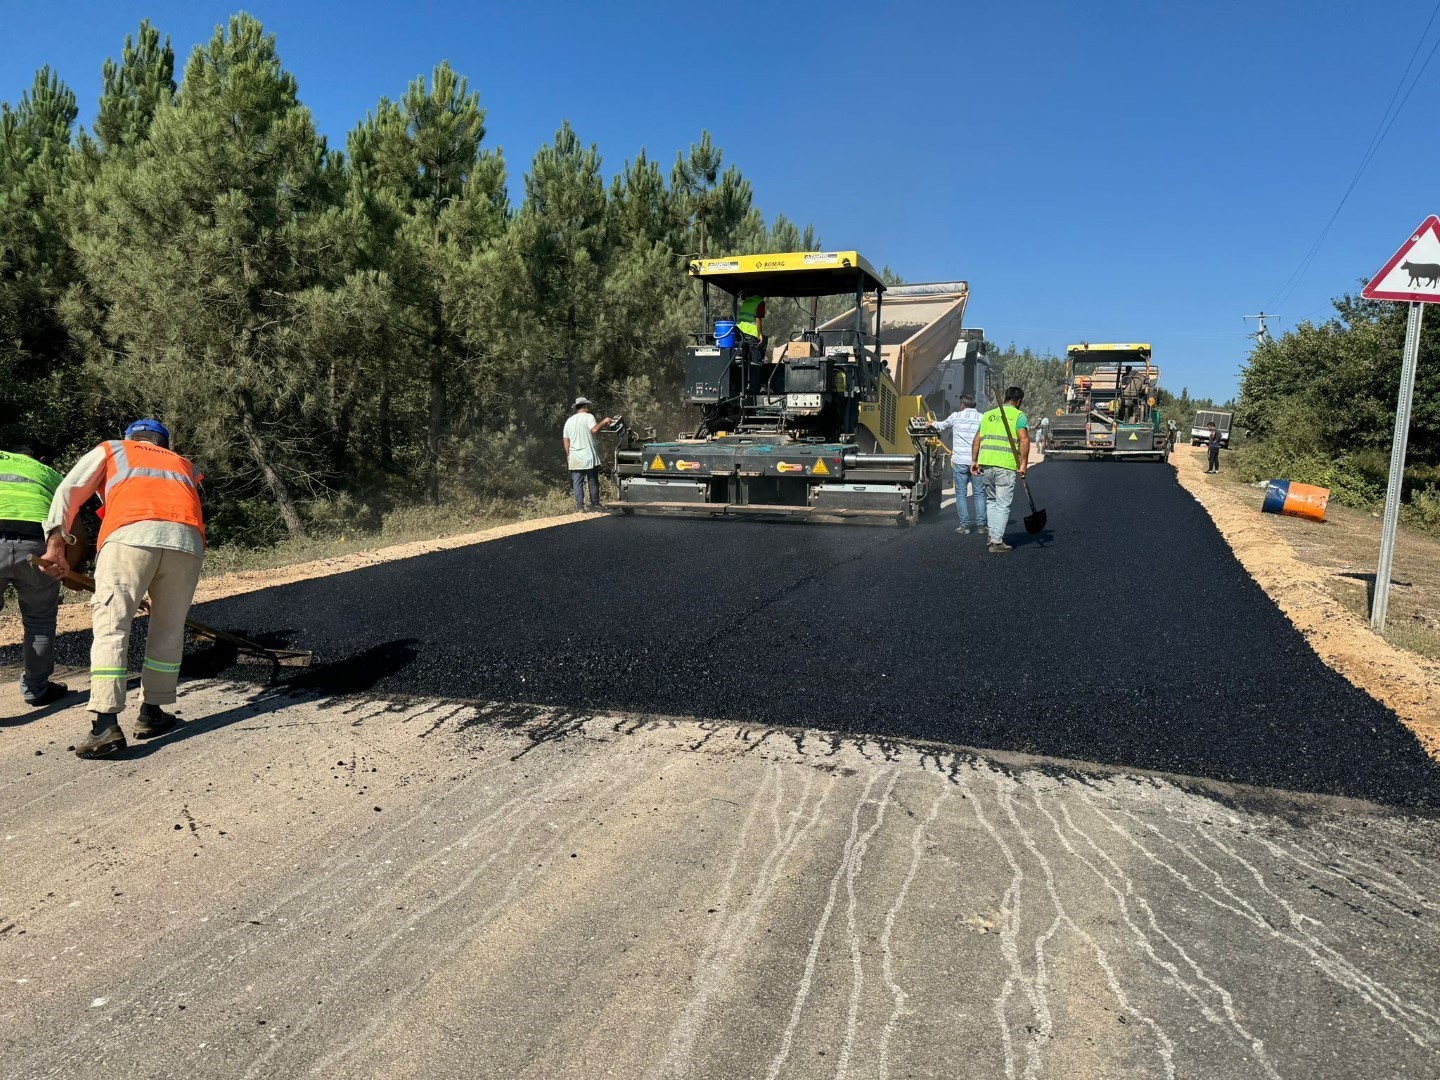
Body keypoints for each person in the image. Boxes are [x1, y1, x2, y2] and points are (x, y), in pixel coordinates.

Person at [37, 420, 205, 759]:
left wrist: (56, 543)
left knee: (112, 625)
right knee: (168, 628)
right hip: (186, 542)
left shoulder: (113, 449)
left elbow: (69, 490)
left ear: (130, 438)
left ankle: (104, 725)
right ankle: (152, 713)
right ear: (164, 442)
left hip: (129, 534)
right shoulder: (181, 463)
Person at [0, 440, 69, 708]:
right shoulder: (51, 475)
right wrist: (66, 565)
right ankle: (37, 689)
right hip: (37, 546)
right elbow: (69, 524)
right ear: (40, 458)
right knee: (40, 621)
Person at [971, 386, 1030, 553]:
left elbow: (977, 440)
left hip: (986, 464)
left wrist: (974, 460)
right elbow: (1024, 440)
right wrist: (1024, 464)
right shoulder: (1018, 416)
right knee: (1003, 504)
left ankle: (992, 535)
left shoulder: (988, 415)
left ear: (1005, 398)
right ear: (1019, 402)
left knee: (991, 501)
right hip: (1005, 465)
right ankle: (997, 542)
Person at [931, 393, 985, 535]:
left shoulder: (956, 416)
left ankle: (965, 526)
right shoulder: (982, 418)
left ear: (962, 405)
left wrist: (930, 423)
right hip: (977, 462)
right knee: (979, 493)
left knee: (961, 493)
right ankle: (981, 526)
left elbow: (940, 426)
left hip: (960, 462)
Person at [563, 397, 617, 512]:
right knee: (592, 480)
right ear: (586, 407)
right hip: (589, 456)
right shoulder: (589, 417)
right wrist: (604, 421)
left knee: (577, 483)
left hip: (575, 457)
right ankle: (595, 505)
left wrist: (568, 455)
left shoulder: (569, 421)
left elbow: (566, 440)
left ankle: (580, 508)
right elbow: (594, 430)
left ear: (577, 408)